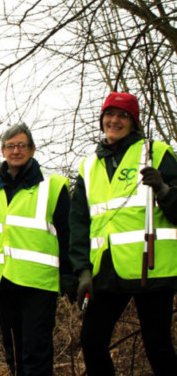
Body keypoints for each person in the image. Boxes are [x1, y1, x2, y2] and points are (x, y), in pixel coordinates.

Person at [69, 92, 177, 375]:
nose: (114, 120)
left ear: (134, 122)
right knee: (92, 342)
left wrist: (165, 191)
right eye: (109, 114)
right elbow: (79, 222)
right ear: (102, 119)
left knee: (158, 347)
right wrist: (82, 271)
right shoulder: (89, 166)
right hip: (106, 269)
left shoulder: (157, 153)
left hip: (150, 268)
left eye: (123, 115)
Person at [0, 123, 75, 376]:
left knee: (36, 348)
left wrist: (69, 274)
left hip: (39, 282)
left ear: (32, 149)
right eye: (10, 146)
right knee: (14, 349)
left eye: (22, 145)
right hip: (2, 280)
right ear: (2, 151)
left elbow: (67, 233)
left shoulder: (53, 186)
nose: (16, 150)